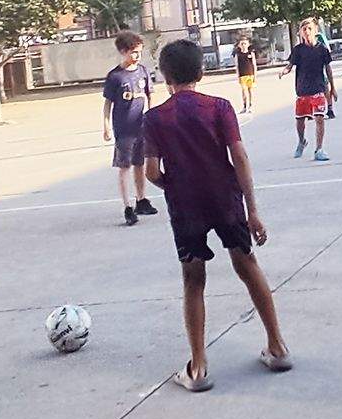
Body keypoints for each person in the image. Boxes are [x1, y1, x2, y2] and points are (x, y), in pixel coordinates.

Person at [142, 38, 290, 392]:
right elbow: (239, 158)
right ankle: (277, 346)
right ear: (202, 72)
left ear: (164, 76)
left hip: (186, 207)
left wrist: (175, 187)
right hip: (226, 200)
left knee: (194, 281)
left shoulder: (155, 119)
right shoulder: (220, 107)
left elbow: (150, 172)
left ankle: (199, 368)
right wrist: (252, 210)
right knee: (247, 264)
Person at [101, 32, 157, 226]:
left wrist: (152, 117)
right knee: (125, 167)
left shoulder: (142, 71)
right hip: (124, 130)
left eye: (139, 52)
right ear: (123, 52)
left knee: (140, 164)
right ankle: (127, 206)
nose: (137, 56)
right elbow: (107, 104)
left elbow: (150, 96)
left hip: (141, 127)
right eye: (133, 52)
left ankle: (141, 199)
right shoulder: (115, 76)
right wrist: (106, 126)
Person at [288, 18, 336, 162]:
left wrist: (333, 88)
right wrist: (284, 71)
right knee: (300, 121)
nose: (307, 32)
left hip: (318, 89)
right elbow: (290, 65)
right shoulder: (298, 50)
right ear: (301, 33)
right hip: (302, 90)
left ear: (315, 31)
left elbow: (328, 69)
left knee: (320, 118)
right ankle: (302, 141)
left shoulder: (322, 49)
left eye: (309, 29)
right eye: (304, 29)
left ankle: (319, 149)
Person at [232, 36, 258, 114]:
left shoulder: (251, 53)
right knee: (244, 91)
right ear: (239, 45)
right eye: (242, 44)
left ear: (248, 44)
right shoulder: (238, 55)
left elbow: (254, 65)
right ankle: (244, 106)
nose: (243, 45)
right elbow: (237, 66)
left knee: (250, 91)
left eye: (245, 43)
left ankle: (250, 106)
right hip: (242, 75)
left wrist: (255, 76)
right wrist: (238, 76)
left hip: (250, 74)